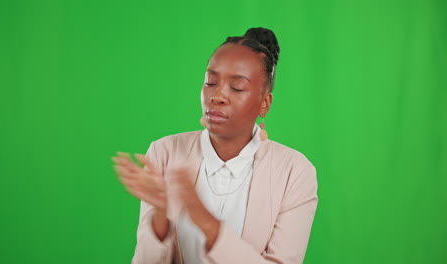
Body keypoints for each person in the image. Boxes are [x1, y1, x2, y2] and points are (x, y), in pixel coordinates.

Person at [112, 27, 318, 264]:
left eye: (237, 87)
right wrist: (161, 214)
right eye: (211, 82)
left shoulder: (295, 171)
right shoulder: (164, 152)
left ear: (265, 103)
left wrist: (202, 217)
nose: (217, 96)